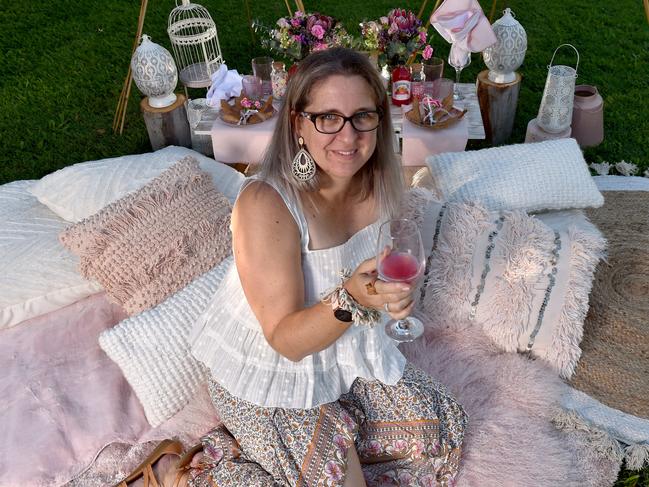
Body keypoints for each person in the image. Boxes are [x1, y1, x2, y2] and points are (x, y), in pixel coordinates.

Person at [188, 47, 467, 486]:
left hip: (341, 349)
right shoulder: (266, 203)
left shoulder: (377, 185)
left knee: (443, 427)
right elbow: (286, 341)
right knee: (341, 475)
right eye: (328, 117)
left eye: (362, 116)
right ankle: (196, 473)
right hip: (270, 372)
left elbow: (377, 282)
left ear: (379, 119)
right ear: (299, 123)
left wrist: (386, 297)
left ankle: (317, 443)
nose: (348, 135)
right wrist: (353, 298)